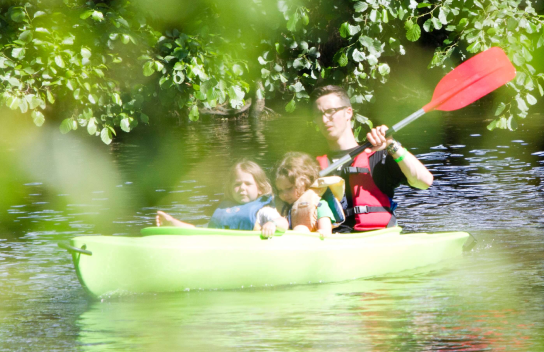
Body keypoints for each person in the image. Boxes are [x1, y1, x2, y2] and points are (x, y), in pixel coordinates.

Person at [312, 85, 434, 232]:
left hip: (375, 239)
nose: (325, 119)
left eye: (331, 111)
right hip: (331, 241)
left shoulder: (378, 157)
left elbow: (424, 181)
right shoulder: (310, 166)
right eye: (319, 114)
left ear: (348, 113)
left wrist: (392, 145)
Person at [156, 160, 289, 238]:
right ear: (231, 189)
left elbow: (284, 223)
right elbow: (197, 230)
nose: (242, 188)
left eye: (248, 184)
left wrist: (273, 224)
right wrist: (172, 222)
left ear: (260, 188)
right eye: (237, 184)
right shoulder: (226, 212)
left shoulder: (263, 211)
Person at [274, 152, 345, 236]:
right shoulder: (284, 206)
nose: (284, 194)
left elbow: (325, 224)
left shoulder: (318, 203)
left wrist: (323, 231)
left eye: (289, 188)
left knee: (300, 229)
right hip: (292, 241)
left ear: (304, 182)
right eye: (280, 190)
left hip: (312, 240)